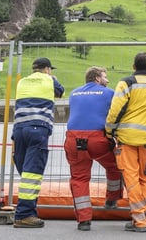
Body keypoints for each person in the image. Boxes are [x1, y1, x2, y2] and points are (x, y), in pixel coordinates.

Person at [105, 52, 146, 233]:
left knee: (131, 179)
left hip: (127, 138)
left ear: (134, 66)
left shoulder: (127, 83)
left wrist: (109, 131)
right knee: (145, 178)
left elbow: (115, 109)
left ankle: (139, 220)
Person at [64, 66, 123, 231]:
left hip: (73, 139)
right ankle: (111, 200)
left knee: (79, 179)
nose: (107, 80)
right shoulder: (109, 92)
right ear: (97, 78)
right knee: (115, 166)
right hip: (97, 139)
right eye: (105, 76)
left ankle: (84, 220)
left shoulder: (74, 93)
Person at [12, 57, 64, 228]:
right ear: (47, 69)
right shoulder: (50, 80)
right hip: (38, 128)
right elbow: (60, 91)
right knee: (32, 173)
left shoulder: (22, 82)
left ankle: (27, 209)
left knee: (25, 171)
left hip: (19, 129)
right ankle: (24, 215)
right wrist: (53, 79)